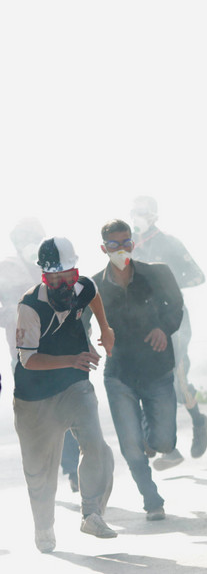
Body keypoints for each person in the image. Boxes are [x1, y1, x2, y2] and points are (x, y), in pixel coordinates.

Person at [13, 236, 118, 553]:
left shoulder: (82, 286)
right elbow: (28, 359)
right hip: (34, 398)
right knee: (39, 472)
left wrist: (105, 329)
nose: (62, 285)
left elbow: (94, 295)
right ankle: (43, 527)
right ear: (44, 277)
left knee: (97, 446)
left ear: (75, 273)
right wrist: (71, 359)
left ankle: (92, 513)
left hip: (75, 385)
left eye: (67, 277)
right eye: (54, 279)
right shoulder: (29, 306)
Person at [90, 219, 185, 521]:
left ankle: (151, 437)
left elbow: (176, 307)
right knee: (131, 447)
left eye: (126, 242)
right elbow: (78, 323)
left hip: (157, 369)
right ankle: (151, 499)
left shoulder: (156, 273)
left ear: (133, 242)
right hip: (119, 373)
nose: (121, 249)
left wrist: (163, 328)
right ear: (104, 248)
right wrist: (89, 346)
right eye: (114, 245)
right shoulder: (93, 287)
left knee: (164, 442)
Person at [1, 218, 83, 490]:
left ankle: (73, 470)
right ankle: (41, 474)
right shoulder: (6, 271)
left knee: (65, 408)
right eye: (21, 240)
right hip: (24, 355)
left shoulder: (56, 267)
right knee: (39, 416)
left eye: (32, 239)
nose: (27, 245)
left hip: (59, 349)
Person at [131, 195, 207, 462]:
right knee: (148, 379)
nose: (137, 216)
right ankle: (164, 444)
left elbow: (198, 275)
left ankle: (198, 421)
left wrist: (170, 284)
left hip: (173, 319)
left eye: (142, 212)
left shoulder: (169, 243)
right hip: (143, 323)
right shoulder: (129, 245)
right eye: (134, 211)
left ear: (154, 215)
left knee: (178, 377)